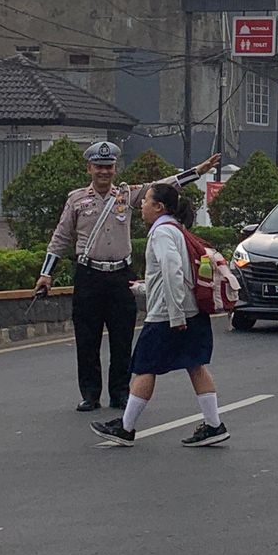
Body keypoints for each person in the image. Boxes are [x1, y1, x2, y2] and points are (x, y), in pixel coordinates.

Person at [37, 141, 219, 412]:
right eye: (99, 166)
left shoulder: (126, 194)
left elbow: (161, 187)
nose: (104, 172)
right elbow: (61, 237)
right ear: (89, 168)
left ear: (115, 169)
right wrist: (46, 274)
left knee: (122, 338)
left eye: (109, 167)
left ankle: (120, 393)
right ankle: (90, 394)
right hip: (89, 275)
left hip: (120, 276)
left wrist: (197, 172)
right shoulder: (76, 199)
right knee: (87, 338)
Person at [90, 182, 229, 449]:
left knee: (145, 366)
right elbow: (172, 274)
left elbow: (172, 271)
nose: (141, 205)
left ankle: (126, 428)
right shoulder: (176, 229)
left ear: (159, 207)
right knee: (195, 365)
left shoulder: (162, 232)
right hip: (189, 310)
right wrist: (145, 288)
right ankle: (214, 425)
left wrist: (175, 315)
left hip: (168, 314)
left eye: (146, 201)